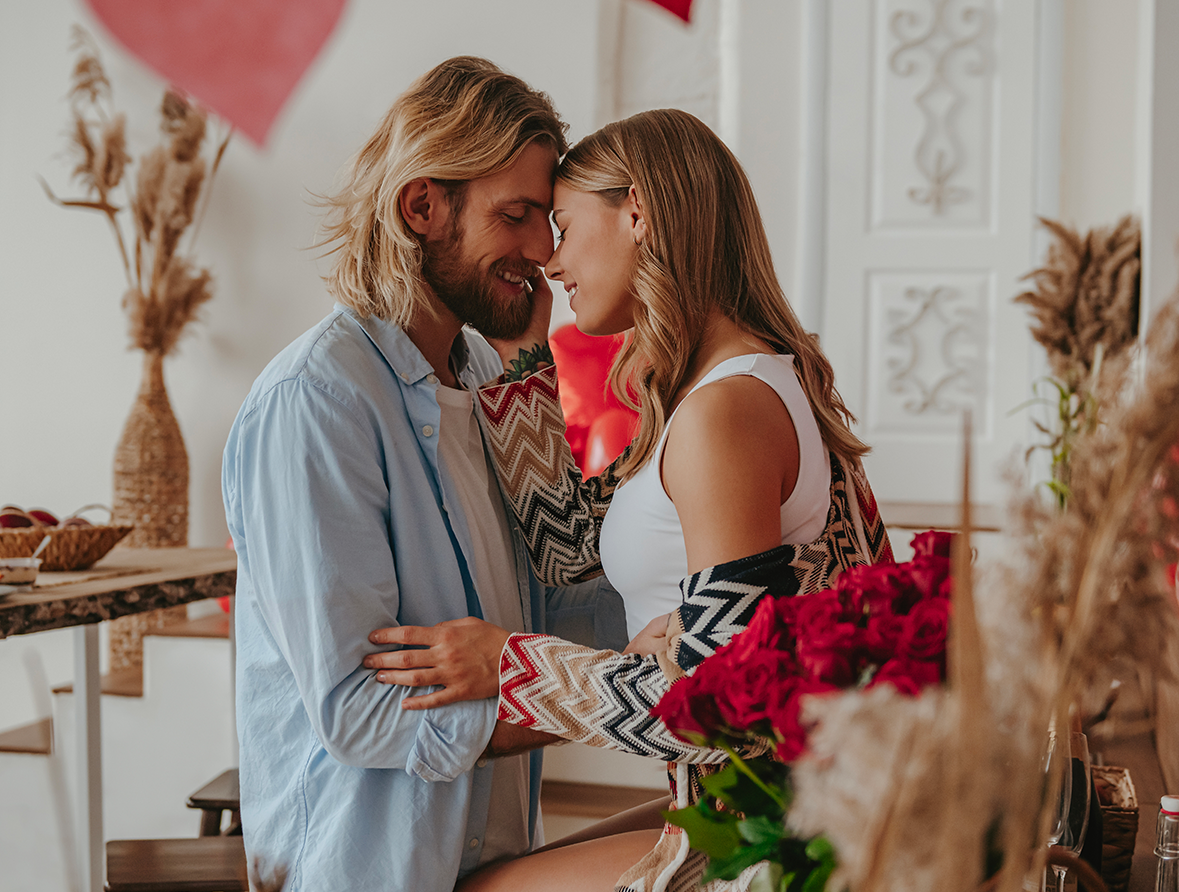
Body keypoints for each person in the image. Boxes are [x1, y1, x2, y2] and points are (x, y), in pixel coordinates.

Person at [364, 109, 894, 892]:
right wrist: (521, 359)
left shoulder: (724, 413)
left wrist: (507, 666)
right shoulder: (725, 389)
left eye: (564, 225)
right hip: (741, 806)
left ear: (638, 213)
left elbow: (726, 717)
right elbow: (568, 549)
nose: (548, 257)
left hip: (777, 827)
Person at [221, 57, 627, 892]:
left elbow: (567, 609)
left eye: (546, 221)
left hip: (493, 853)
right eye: (516, 216)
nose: (544, 252)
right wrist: (608, 698)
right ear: (422, 207)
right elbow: (360, 710)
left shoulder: (486, 373)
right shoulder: (318, 404)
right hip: (375, 871)